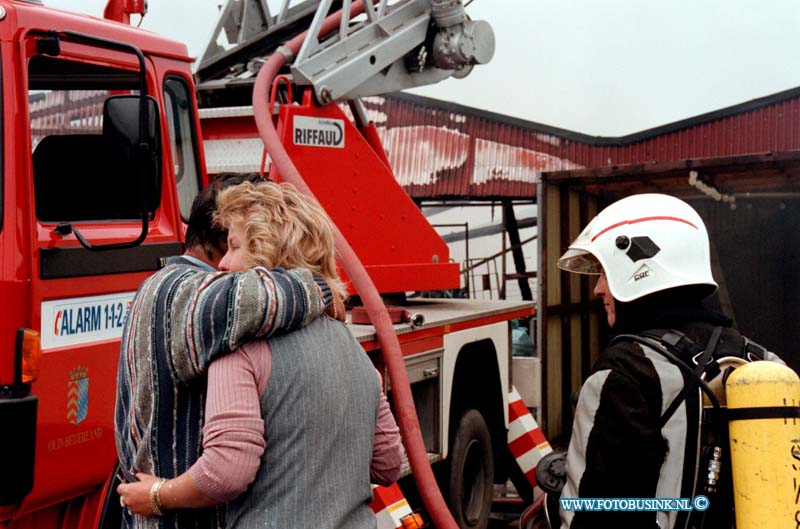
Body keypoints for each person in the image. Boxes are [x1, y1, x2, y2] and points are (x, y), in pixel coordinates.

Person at [118, 181, 403, 528]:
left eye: (234, 247)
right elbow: (388, 464)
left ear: (266, 252)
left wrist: (157, 495)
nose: (221, 264)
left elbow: (228, 472)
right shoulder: (356, 353)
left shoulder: (239, 352)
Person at [555, 193, 782, 529]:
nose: (598, 290)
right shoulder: (764, 363)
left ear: (637, 266)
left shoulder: (624, 373)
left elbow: (589, 515)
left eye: (604, 272)